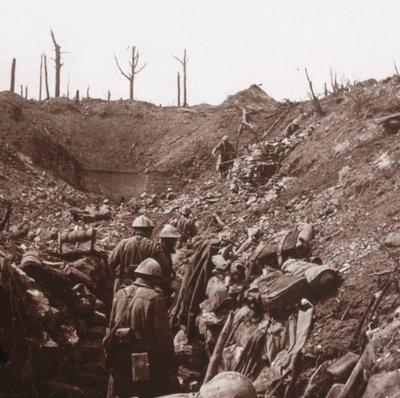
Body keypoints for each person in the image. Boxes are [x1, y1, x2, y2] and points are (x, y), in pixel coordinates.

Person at [105, 258, 179, 398]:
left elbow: (110, 326)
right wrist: (170, 364)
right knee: (143, 391)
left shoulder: (120, 294)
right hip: (142, 355)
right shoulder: (155, 298)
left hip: (119, 352)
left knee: (119, 392)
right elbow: (163, 337)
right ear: (155, 280)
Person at [108, 215, 168, 294]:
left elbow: (111, 263)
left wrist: (115, 279)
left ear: (134, 230)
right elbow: (164, 267)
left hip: (125, 284)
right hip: (147, 286)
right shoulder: (154, 246)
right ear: (148, 231)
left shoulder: (123, 243)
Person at [158, 224, 181, 298]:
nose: (175, 242)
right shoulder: (158, 251)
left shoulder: (166, 250)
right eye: (173, 240)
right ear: (166, 240)